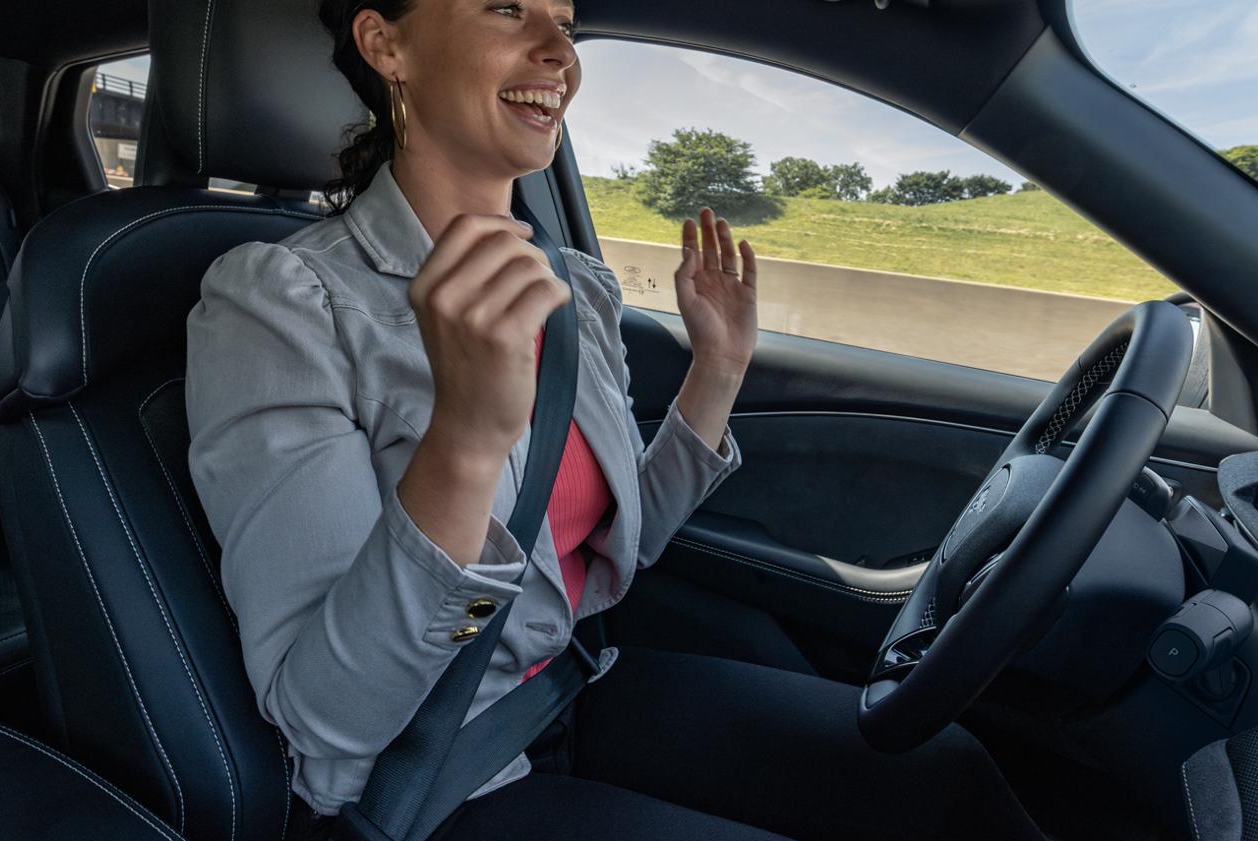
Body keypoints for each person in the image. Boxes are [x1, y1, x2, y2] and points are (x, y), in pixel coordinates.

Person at [184, 1, 1048, 838]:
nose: (560, 52)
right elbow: (327, 723)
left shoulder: (577, 287)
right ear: (385, 44)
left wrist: (718, 369)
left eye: (564, 24)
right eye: (507, 9)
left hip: (568, 687)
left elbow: (615, 549)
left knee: (945, 772)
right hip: (434, 778)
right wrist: (464, 445)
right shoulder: (285, 301)